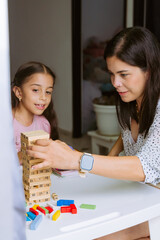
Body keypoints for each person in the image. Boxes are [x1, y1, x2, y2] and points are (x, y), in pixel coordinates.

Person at [27, 27, 160, 239]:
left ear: (149, 70)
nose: (115, 83)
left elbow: (144, 167)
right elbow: (127, 136)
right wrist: (107, 161)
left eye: (124, 74)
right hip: (135, 191)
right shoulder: (132, 102)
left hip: (153, 203)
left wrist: (78, 159)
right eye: (112, 74)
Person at [11, 61, 59, 164]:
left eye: (48, 92)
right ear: (19, 92)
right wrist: (17, 157)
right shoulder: (5, 122)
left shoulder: (44, 125)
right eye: (36, 90)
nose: (43, 98)